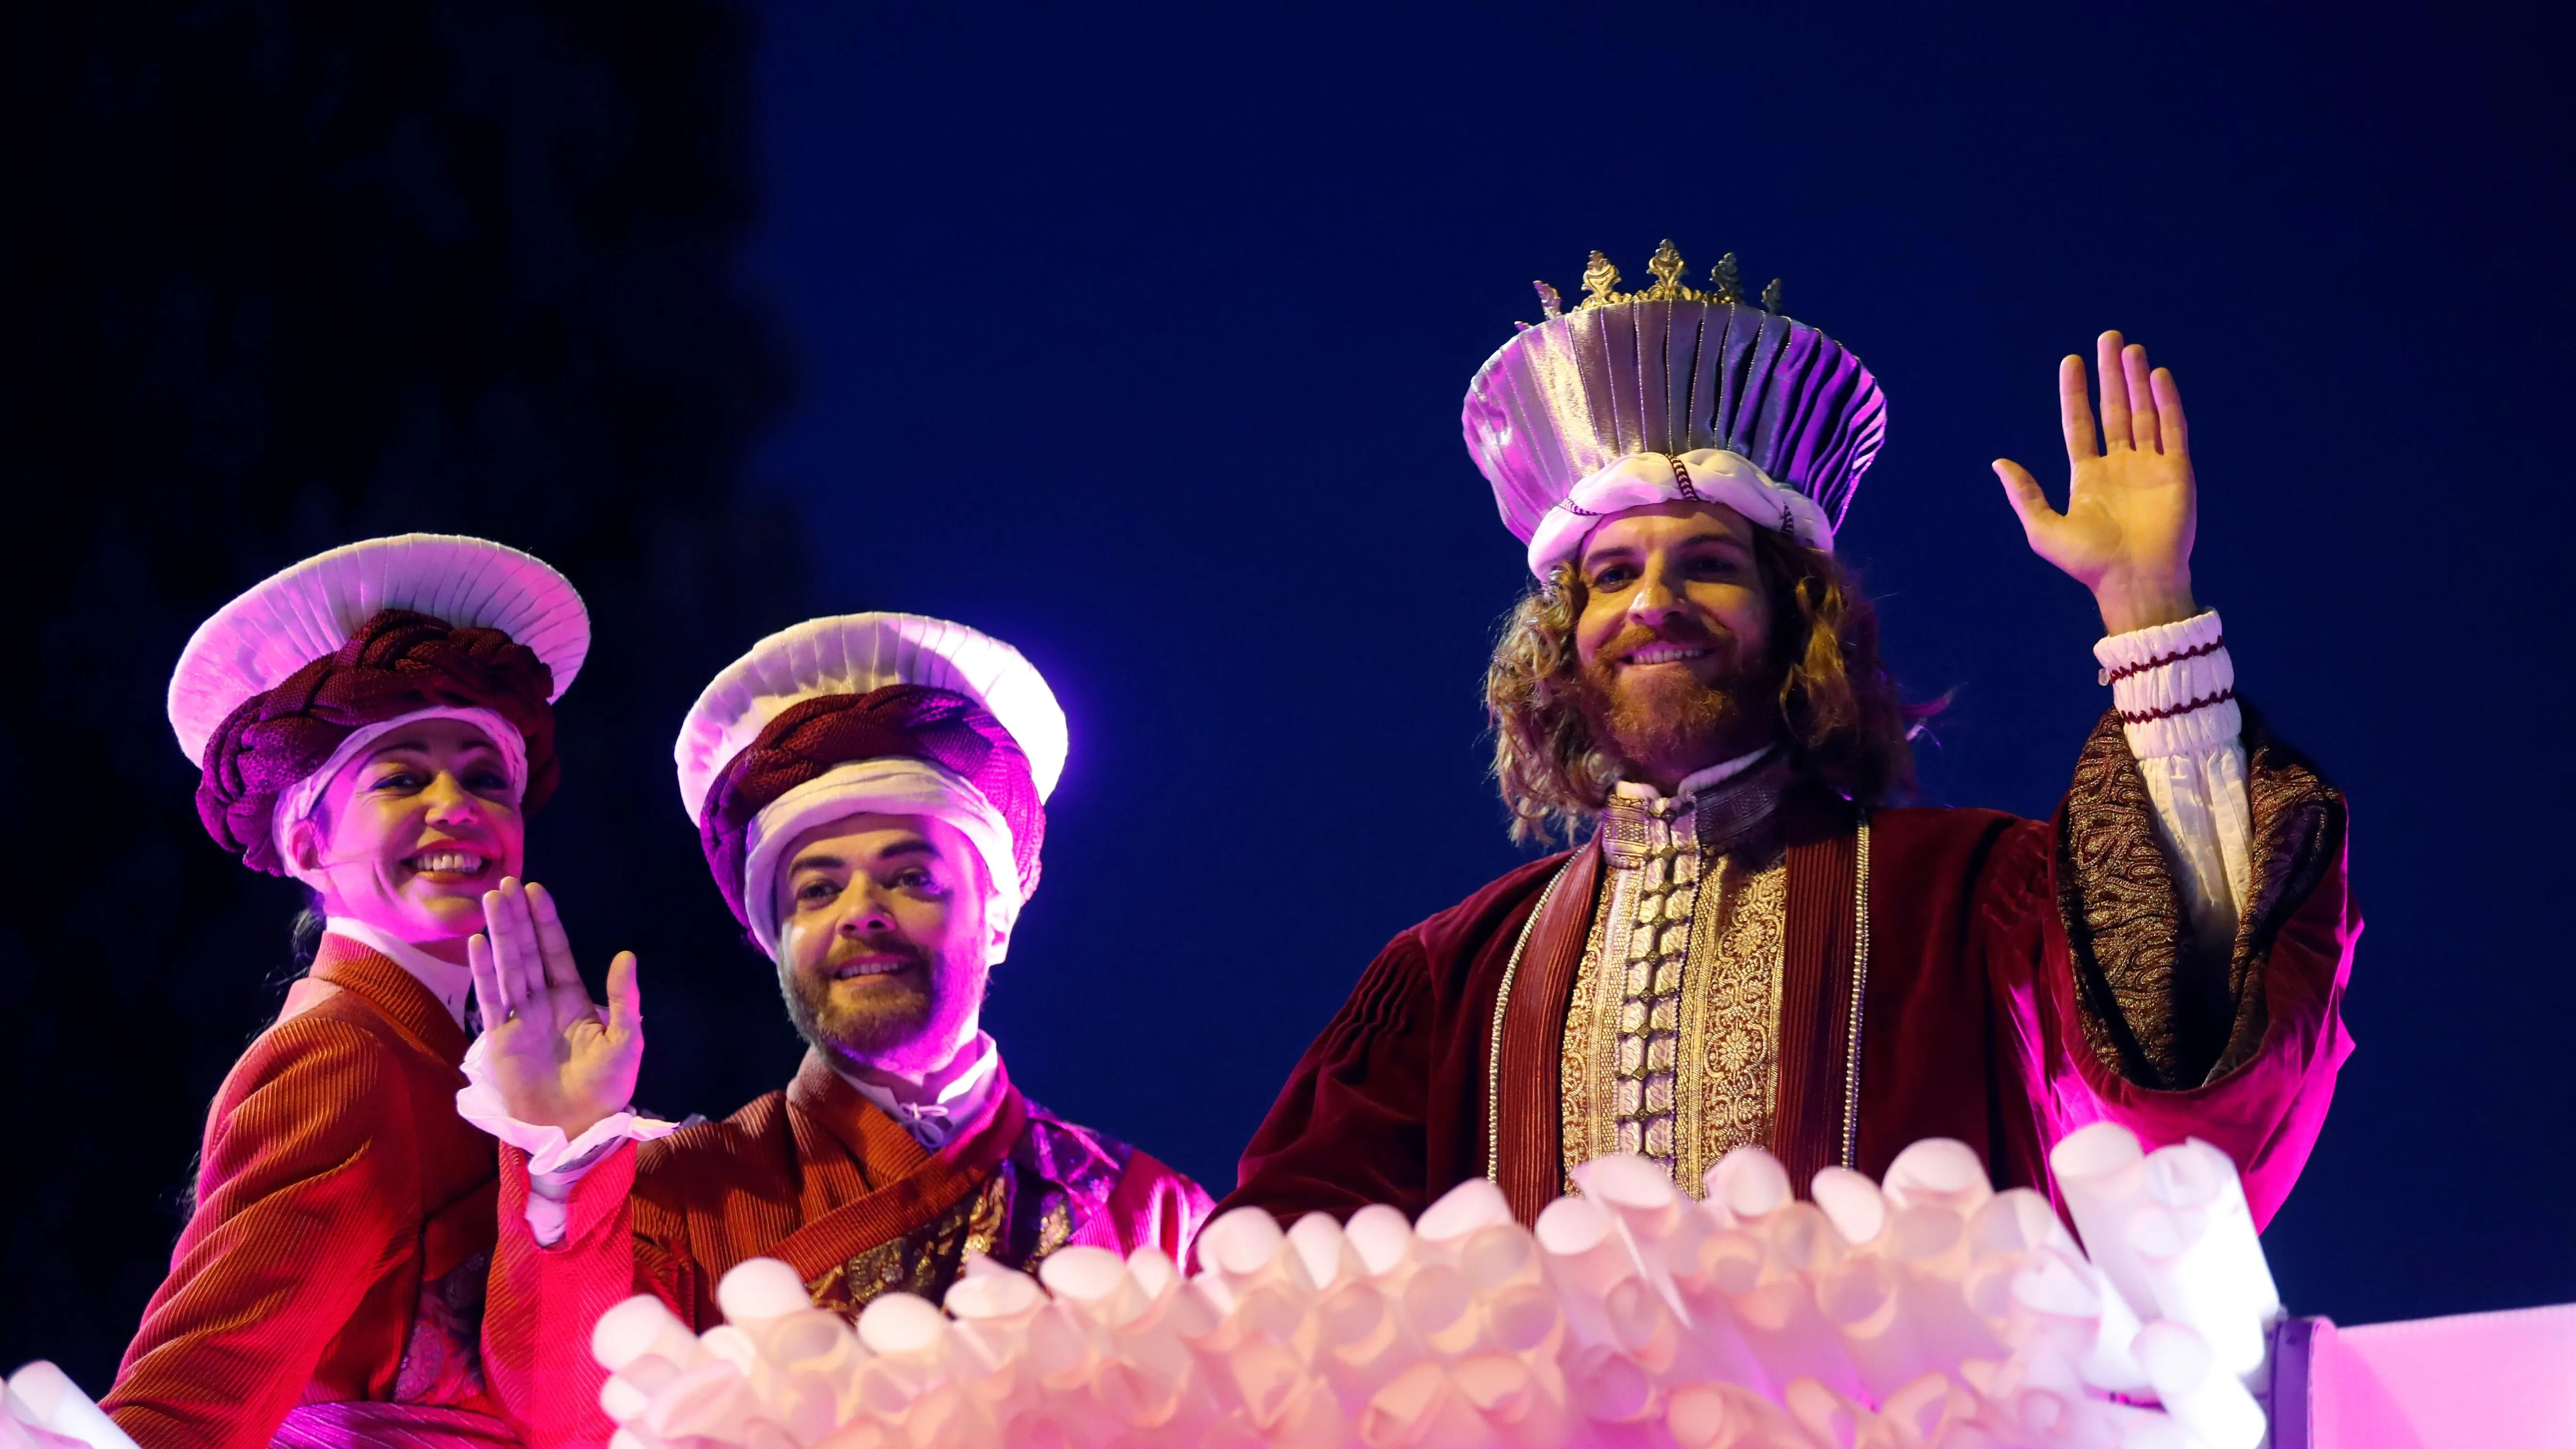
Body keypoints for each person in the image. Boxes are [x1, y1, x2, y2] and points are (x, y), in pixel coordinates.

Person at [1224, 242, 2355, 1230]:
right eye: (1612, 575)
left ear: (1797, 620)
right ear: (1562, 641)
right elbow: (1287, 1289)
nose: (1653, 603)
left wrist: (2147, 605)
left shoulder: (1971, 902)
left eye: (1709, 566)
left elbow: (2194, 1057)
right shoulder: (1449, 974)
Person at [461, 612, 1211, 1447]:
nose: (861, 914)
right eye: (817, 890)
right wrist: (564, 1162)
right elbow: (559, 1422)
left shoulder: (1149, 1214)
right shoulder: (677, 1198)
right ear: (773, 942)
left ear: (998, 914)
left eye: (911, 876)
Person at [106, 534, 589, 1449]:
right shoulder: (344, 1057)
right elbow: (190, 1397)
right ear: (305, 845)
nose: (459, 806)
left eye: (489, 779)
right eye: (404, 778)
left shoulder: (466, 1060)